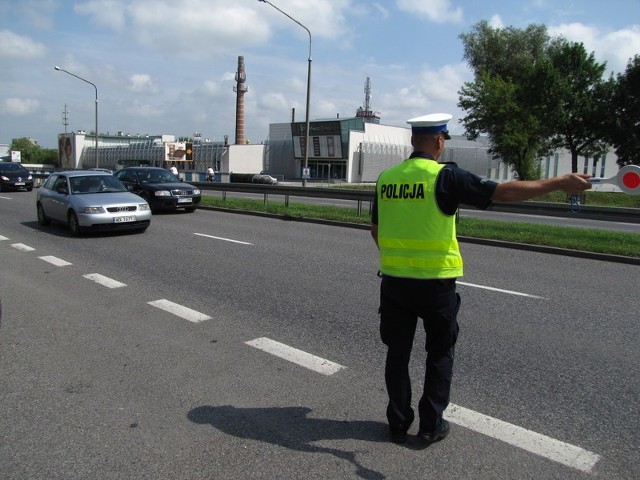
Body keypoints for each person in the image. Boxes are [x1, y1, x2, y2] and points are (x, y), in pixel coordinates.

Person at [370, 113, 592, 445]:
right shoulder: (445, 177)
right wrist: (557, 183)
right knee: (439, 352)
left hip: (395, 283)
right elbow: (502, 191)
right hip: (436, 284)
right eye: (444, 138)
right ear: (439, 140)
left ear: (413, 140)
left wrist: (399, 258)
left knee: (397, 354)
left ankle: (398, 424)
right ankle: (430, 426)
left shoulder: (386, 178)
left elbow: (376, 229)